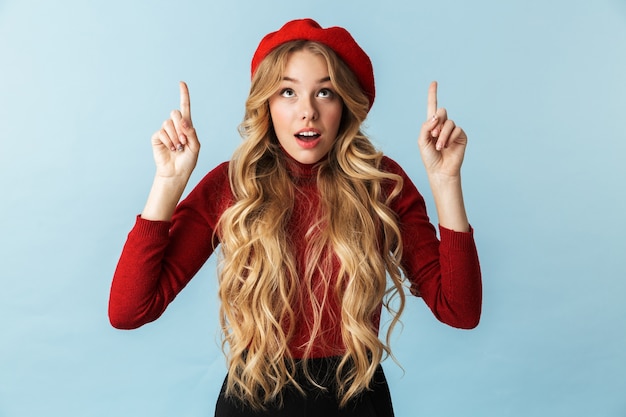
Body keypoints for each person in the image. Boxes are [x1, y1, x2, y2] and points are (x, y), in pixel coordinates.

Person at [109, 18, 482, 417]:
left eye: (325, 92)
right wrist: (168, 182)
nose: (307, 112)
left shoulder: (381, 184)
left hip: (356, 400)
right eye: (288, 92)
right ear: (266, 104)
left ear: (345, 105)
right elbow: (129, 310)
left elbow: (460, 310)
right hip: (253, 398)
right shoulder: (232, 184)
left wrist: (445, 182)